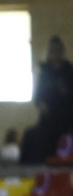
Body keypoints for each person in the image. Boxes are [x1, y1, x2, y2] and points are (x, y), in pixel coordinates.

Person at [22, 36, 73, 165]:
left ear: (62, 52)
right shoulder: (45, 71)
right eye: (52, 50)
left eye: (57, 50)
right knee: (42, 143)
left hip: (66, 118)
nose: (55, 53)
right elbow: (38, 94)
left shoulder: (69, 70)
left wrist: (66, 92)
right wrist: (40, 105)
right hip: (48, 118)